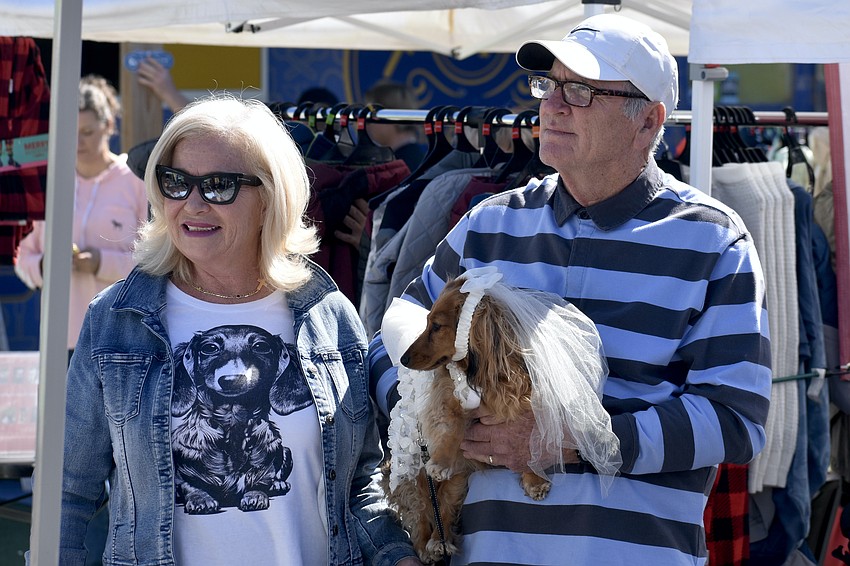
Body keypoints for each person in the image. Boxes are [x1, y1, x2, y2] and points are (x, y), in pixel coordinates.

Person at [369, 13, 772, 565]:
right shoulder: (491, 224)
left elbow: (736, 420)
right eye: (548, 85)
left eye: (581, 90)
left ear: (649, 122)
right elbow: (388, 342)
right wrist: (432, 411)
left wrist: (573, 439)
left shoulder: (713, 240)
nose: (553, 105)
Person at [57, 95, 423, 566]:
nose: (192, 203)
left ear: (271, 195)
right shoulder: (116, 320)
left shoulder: (327, 315)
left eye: (219, 186)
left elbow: (359, 480)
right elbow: (69, 491)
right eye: (176, 183)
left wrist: (397, 555)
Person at [14, 74, 148, 355]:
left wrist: (102, 262)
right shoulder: (45, 182)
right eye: (70, 132)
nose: (77, 142)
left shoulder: (137, 181)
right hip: (60, 339)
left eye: (87, 132)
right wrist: (46, 267)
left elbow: (155, 263)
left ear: (109, 125)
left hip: (121, 338)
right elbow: (23, 257)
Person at [363, 79, 426, 172]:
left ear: (391, 115)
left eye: (372, 114)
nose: (367, 122)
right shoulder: (416, 158)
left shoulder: (404, 166)